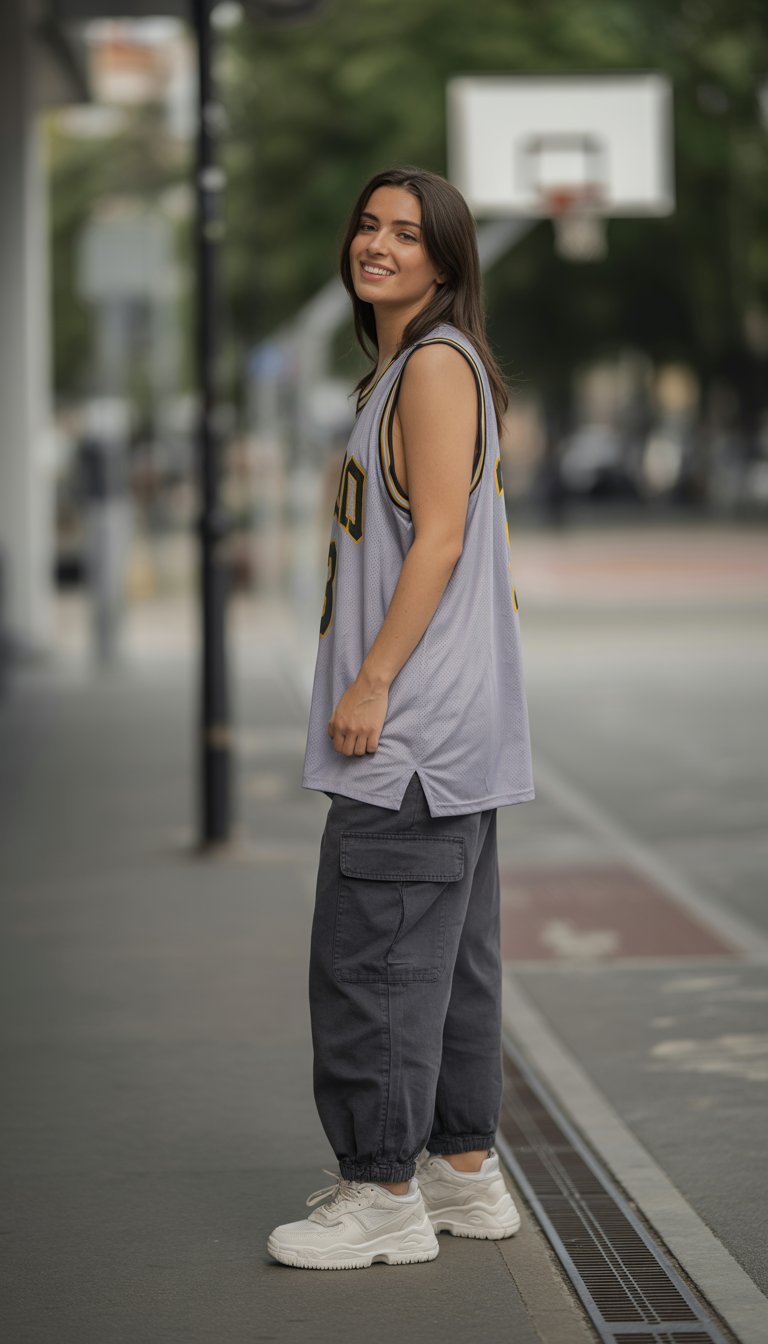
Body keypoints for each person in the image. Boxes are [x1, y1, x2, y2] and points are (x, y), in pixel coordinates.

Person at [267, 166, 534, 1270]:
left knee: (371, 963)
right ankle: (461, 1173)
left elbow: (439, 541)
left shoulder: (430, 366)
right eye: (370, 225)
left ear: (446, 259)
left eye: (408, 233)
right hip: (454, 731)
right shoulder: (408, 368)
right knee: (450, 964)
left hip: (413, 732)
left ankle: (381, 1192)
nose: (379, 243)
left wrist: (371, 682)